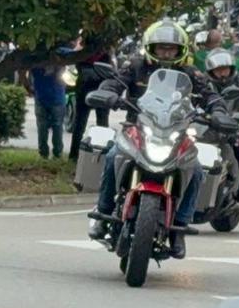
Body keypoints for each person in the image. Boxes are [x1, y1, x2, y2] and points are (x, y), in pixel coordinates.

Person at [87, 21, 223, 258]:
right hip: (137, 128)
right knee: (111, 156)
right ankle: (104, 211)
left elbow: (211, 97)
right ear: (151, 47)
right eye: (161, 48)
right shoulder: (135, 66)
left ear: (181, 50)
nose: (166, 53)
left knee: (197, 170)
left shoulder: (191, 74)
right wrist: (108, 92)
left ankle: (179, 227)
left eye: (171, 49)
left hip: (175, 133)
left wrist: (219, 113)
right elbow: (115, 82)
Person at [201, 49, 239, 203]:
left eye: (225, 69)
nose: (223, 74)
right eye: (218, 71)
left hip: (237, 126)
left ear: (232, 68)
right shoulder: (204, 83)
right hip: (209, 125)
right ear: (211, 72)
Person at [70, 36, 112, 159]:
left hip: (86, 91)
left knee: (79, 125)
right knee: (101, 124)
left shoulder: (82, 57)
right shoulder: (105, 57)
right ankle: (102, 155)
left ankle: (74, 155)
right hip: (100, 93)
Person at [26, 60, 69, 160]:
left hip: (41, 96)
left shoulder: (34, 56)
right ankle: (57, 154)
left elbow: (21, 71)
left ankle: (43, 154)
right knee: (57, 126)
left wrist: (28, 87)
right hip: (57, 96)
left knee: (42, 127)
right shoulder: (61, 53)